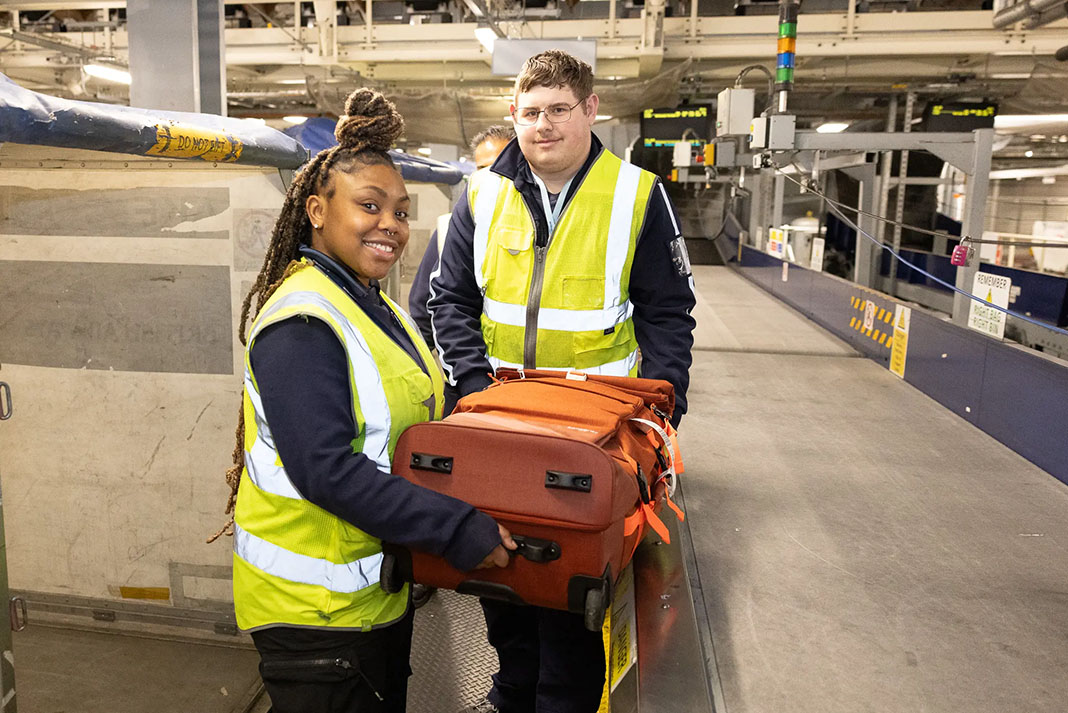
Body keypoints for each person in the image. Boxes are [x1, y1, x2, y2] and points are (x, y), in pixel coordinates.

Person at [214, 87, 516, 713]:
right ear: (317, 211)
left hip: (372, 594)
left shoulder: (374, 305)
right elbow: (326, 469)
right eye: (369, 206)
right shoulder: (304, 323)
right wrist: (455, 527)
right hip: (315, 613)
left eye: (402, 212)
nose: (392, 225)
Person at [427, 51, 696, 713]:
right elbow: (449, 300)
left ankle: (562, 703)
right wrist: (468, 387)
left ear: (590, 110)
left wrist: (662, 414)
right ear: (513, 117)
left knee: (572, 593)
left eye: (557, 110)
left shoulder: (636, 194)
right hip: (497, 429)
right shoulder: (480, 194)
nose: (542, 125)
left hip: (591, 438)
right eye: (529, 112)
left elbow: (668, 313)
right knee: (498, 576)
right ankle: (511, 691)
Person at [408, 125, 515, 346]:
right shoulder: (450, 228)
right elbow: (423, 307)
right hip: (465, 369)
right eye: (482, 169)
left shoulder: (541, 229)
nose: (490, 178)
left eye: (498, 167)